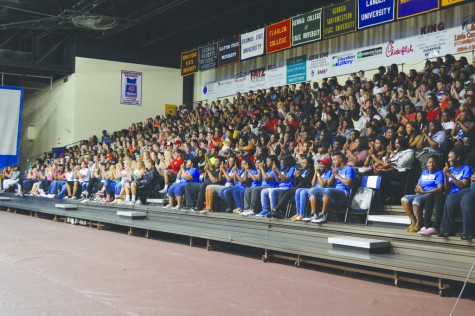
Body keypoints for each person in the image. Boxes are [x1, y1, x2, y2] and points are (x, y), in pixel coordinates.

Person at [401, 155, 444, 232]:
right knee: (404, 199)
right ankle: (413, 221)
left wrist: (424, 192)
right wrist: (418, 188)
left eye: (433, 162)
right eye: (429, 162)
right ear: (426, 164)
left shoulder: (439, 173)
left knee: (416, 200)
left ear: (437, 164)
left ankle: (419, 223)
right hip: (421, 193)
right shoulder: (424, 172)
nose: (431, 164)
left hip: (430, 194)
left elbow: (439, 188)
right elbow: (418, 183)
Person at [439, 148, 473, 239]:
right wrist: (446, 176)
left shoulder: (466, 168)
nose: (448, 159)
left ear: (458, 158)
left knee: (454, 198)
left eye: (450, 157)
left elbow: (463, 186)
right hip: (452, 194)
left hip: (463, 192)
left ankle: (467, 232)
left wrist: (450, 175)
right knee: (449, 197)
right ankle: (447, 230)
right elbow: (447, 189)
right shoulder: (450, 169)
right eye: (448, 157)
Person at [311, 152, 355, 224]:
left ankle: (323, 216)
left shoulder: (349, 169)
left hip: (344, 192)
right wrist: (333, 175)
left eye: (335, 160)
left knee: (327, 190)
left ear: (340, 159)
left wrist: (337, 175)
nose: (333, 162)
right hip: (334, 191)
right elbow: (329, 184)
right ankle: (314, 214)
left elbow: (347, 183)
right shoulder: (335, 169)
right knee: (313, 190)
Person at [293, 157, 332, 222]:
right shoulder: (319, 172)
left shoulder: (329, 172)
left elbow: (322, 184)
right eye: (319, 164)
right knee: (298, 190)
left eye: (322, 164)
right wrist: (315, 173)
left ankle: (302, 214)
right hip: (314, 189)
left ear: (327, 165)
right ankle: (298, 213)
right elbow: (313, 184)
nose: (320, 165)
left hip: (322, 191)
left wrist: (318, 174)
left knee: (303, 192)